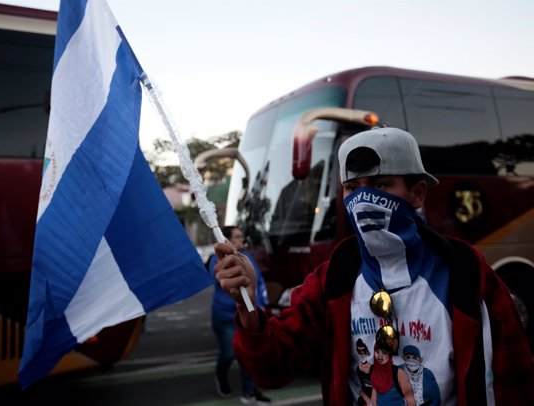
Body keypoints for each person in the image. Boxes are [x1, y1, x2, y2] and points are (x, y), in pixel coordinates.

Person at [212, 127, 534, 405]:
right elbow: (273, 369)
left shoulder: (467, 275)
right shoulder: (332, 279)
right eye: (353, 188)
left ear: (417, 193)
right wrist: (247, 305)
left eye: (380, 185)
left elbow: (516, 384)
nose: (364, 199)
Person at [209, 226, 271, 405]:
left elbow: (257, 281)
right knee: (229, 353)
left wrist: (262, 303)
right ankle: (221, 375)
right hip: (225, 316)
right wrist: (228, 262)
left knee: (248, 353)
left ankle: (249, 391)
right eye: (237, 237)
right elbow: (218, 278)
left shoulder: (246, 256)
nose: (242, 239)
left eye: (241, 236)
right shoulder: (217, 258)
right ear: (227, 240)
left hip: (248, 315)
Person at [355, 339, 373, 406]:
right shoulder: (358, 368)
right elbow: (362, 387)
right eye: (359, 351)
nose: (362, 352)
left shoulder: (374, 367)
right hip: (365, 395)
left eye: (363, 350)